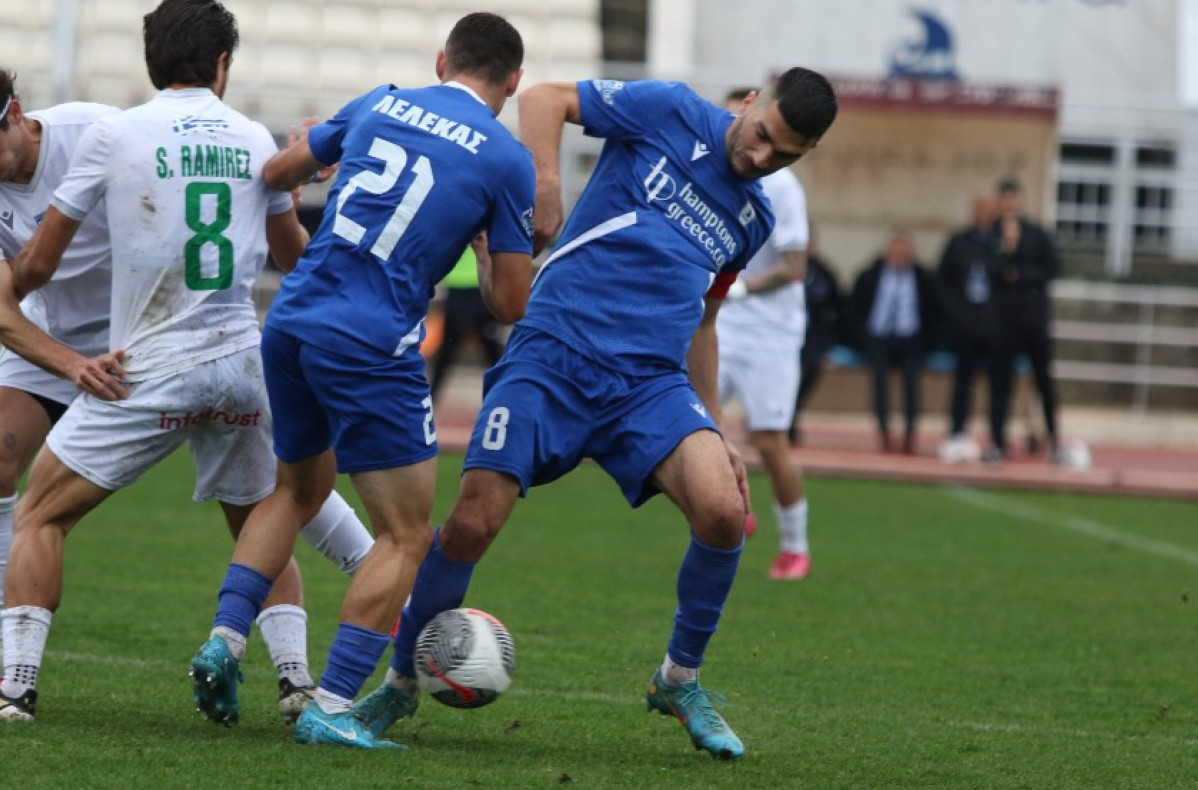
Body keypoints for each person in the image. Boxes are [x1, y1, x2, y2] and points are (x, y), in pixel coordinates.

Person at [352, 68, 838, 760]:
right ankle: (401, 681)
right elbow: (544, 97)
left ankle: (678, 679)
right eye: (761, 136)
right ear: (752, 103)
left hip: (649, 383)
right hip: (554, 353)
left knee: (725, 512)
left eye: (782, 155)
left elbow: (705, 319)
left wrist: (715, 425)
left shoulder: (753, 218)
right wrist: (544, 184)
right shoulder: (669, 110)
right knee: (472, 522)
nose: (760, 158)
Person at [0, 0, 373, 722]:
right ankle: (297, 685)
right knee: (262, 522)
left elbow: (43, 263)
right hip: (242, 358)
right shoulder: (250, 135)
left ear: (150, 61)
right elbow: (290, 256)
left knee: (40, 517)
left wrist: (10, 284)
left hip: (145, 366)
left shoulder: (113, 134)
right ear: (220, 64)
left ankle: (15, 686)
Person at [188, 11, 534, 749]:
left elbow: (277, 175)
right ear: (512, 82)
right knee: (406, 534)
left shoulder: (379, 100)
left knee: (296, 489)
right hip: (372, 341)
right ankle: (335, 701)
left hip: (292, 317)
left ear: (442, 61)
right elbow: (507, 302)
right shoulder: (507, 157)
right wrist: (489, 239)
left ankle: (223, 637)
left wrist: (319, 159)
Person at [714, 87, 814, 580]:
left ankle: (796, 547)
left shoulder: (784, 187)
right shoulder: (714, 170)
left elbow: (795, 267)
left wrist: (738, 291)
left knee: (770, 439)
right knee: (696, 427)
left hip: (770, 329)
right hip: (721, 322)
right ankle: (737, 511)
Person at [985, 177, 1062, 464]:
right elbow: (992, 271)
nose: (1010, 204)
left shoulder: (1037, 234)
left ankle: (1054, 441)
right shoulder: (991, 235)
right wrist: (1007, 248)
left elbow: (1051, 269)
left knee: (1044, 383)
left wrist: (1018, 274)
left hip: (1034, 321)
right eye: (1005, 199)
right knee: (1000, 385)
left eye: (1014, 198)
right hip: (1003, 322)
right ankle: (997, 443)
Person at [848, 231, 940, 455]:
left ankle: (910, 433)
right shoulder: (870, 276)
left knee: (911, 381)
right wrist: (862, 338)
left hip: (910, 339)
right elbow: (853, 310)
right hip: (879, 338)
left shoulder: (922, 278)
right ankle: (884, 432)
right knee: (880, 379)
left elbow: (936, 313)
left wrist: (928, 341)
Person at [936, 194, 999, 460]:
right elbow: (942, 281)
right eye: (980, 210)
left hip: (994, 325)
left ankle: (997, 437)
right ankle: (957, 432)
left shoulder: (1002, 242)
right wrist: (956, 311)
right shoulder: (959, 242)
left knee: (997, 383)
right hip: (965, 324)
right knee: (963, 382)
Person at [428, 233, 506, 405]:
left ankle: (505, 398)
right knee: (491, 357)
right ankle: (505, 400)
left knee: (449, 355)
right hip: (470, 289)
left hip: (470, 289)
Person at [790, 235, 843, 445]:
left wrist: (829, 341)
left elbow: (837, 308)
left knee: (812, 368)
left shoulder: (822, 272)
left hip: (811, 337)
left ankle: (791, 412)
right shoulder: (776, 268)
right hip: (781, 336)